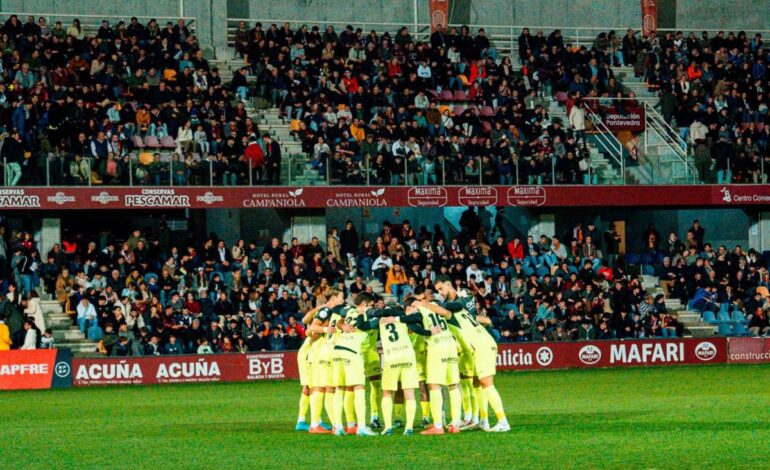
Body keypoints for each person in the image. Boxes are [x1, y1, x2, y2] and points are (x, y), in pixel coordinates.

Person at [433, 276, 510, 432]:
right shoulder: (451, 307)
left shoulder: (464, 294)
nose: (440, 293)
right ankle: (481, 419)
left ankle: (501, 421)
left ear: (449, 285)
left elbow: (459, 309)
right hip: (469, 346)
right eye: (438, 291)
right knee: (476, 383)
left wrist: (430, 305)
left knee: (484, 383)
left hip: (478, 342)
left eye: (441, 289)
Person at [357, 296, 425, 436]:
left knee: (387, 392)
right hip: (407, 356)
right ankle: (409, 427)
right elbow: (417, 323)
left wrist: (360, 313)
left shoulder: (380, 320)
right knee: (409, 392)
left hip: (391, 357)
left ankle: (388, 426)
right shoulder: (403, 318)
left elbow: (362, 326)